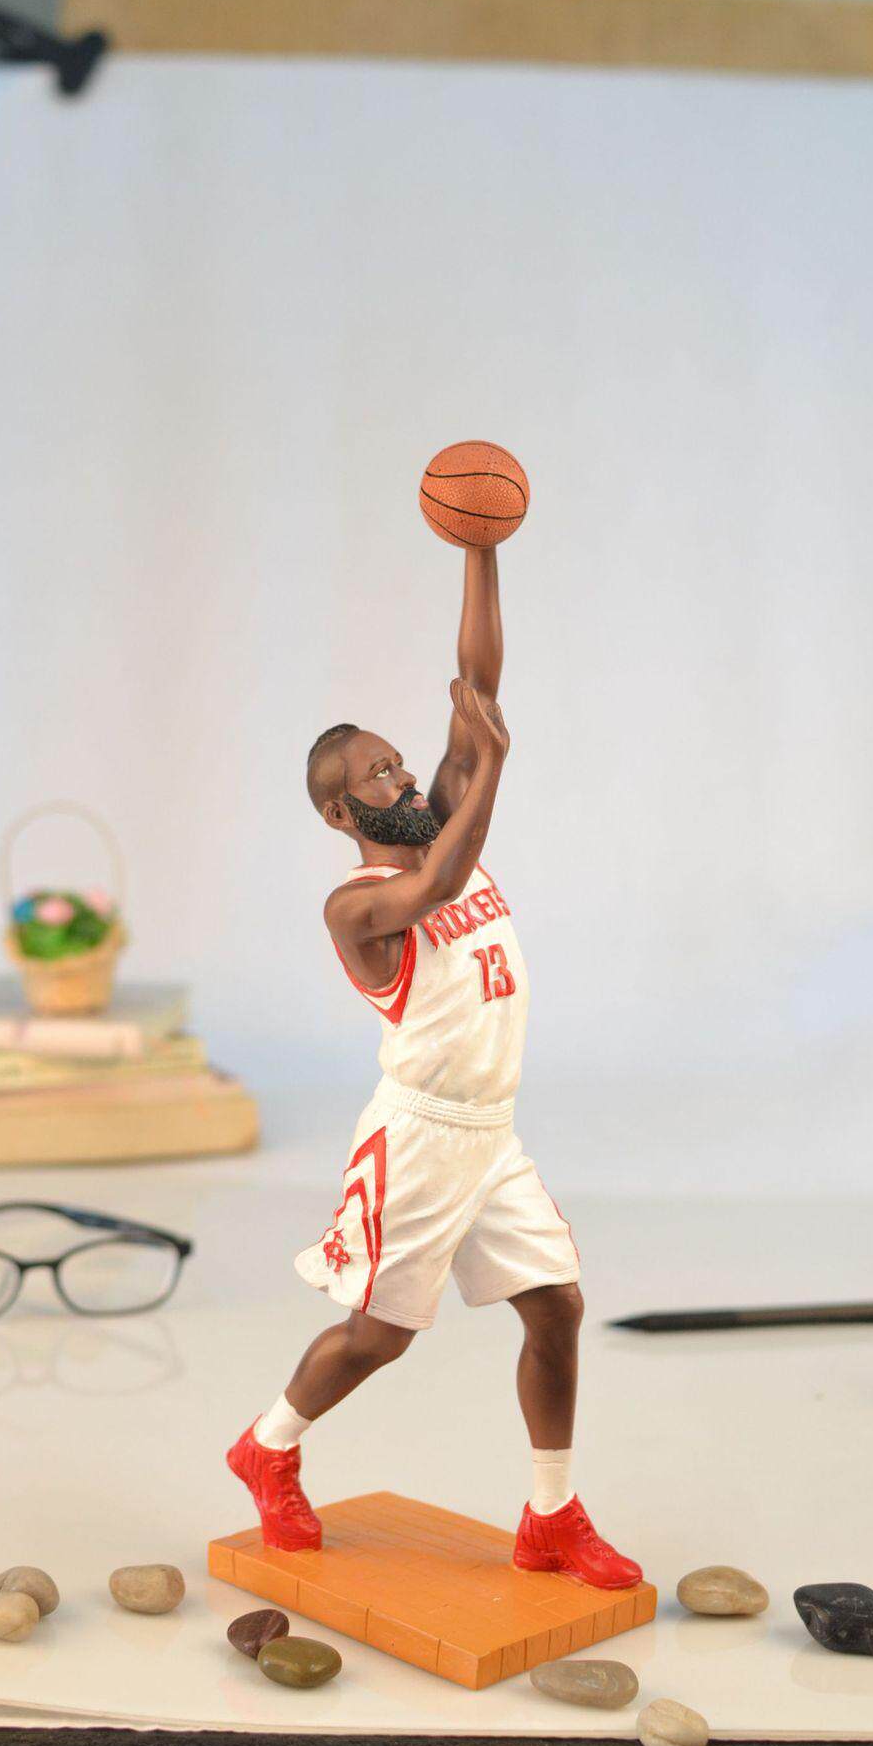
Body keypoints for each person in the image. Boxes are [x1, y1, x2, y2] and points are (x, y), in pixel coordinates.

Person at [228, 546, 641, 1588]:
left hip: (489, 1132)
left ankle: (551, 1514)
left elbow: (477, 685)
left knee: (556, 1307)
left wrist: (480, 548)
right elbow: (445, 875)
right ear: (337, 813)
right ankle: (267, 1446)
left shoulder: (440, 814)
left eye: (399, 762)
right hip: (416, 1134)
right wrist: (491, 768)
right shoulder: (357, 906)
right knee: (378, 1337)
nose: (403, 776)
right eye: (376, 774)